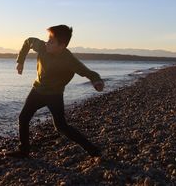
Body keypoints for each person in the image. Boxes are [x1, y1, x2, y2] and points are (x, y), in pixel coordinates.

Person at [6, 25, 105, 158]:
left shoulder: (69, 59)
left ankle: (93, 150)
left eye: (51, 42)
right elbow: (28, 41)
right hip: (37, 91)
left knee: (61, 127)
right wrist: (20, 61)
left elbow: (87, 72)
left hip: (55, 95)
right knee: (23, 118)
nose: (47, 43)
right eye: (48, 40)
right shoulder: (42, 46)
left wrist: (97, 81)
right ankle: (24, 150)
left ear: (62, 46)